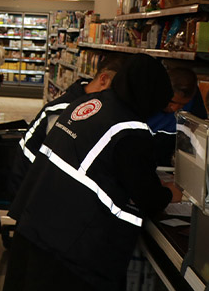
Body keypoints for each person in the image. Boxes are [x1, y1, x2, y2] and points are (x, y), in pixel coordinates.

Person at [1, 54, 182, 291]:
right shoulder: (130, 129)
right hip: (73, 249)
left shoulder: (88, 102)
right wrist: (170, 193)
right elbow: (147, 195)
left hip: (35, 224)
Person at [10, 54, 125, 194]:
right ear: (104, 80)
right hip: (31, 186)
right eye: (121, 89)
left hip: (43, 180)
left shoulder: (84, 100)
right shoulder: (64, 110)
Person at [148, 67, 205, 166]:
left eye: (182, 105)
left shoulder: (194, 101)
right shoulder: (144, 101)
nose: (174, 108)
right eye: (171, 102)